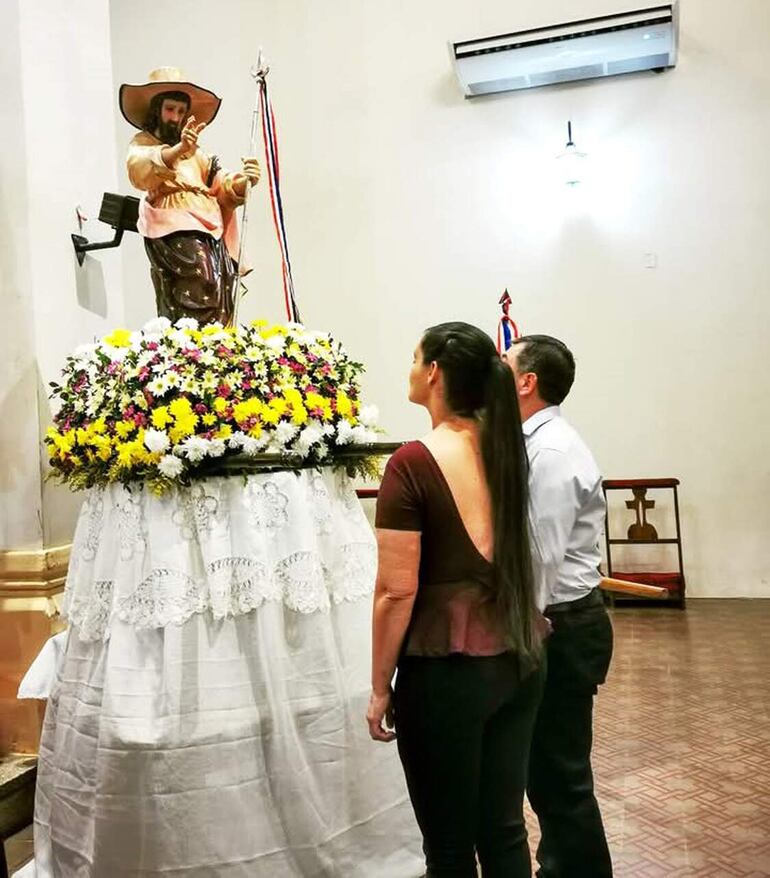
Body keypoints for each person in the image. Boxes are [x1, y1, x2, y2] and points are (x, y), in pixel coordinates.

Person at [368, 321, 545, 877]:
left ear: (434, 372)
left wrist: (379, 688)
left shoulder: (412, 462)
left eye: (413, 357)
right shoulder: (505, 452)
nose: (410, 369)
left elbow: (396, 591)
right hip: (519, 655)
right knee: (504, 831)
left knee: (447, 846)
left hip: (447, 674)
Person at [505, 334, 614, 878]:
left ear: (527, 382)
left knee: (558, 773)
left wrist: (522, 631)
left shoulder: (550, 450)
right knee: (547, 771)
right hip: (561, 618)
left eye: (504, 365)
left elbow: (540, 556)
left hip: (562, 624)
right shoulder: (538, 441)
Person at [120, 67, 261, 325]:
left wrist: (245, 180)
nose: (175, 117)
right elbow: (140, 169)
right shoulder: (144, 143)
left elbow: (219, 184)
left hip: (210, 228)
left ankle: (213, 341)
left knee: (218, 284)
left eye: (181, 112)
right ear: (157, 110)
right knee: (201, 280)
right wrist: (176, 151)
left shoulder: (197, 155)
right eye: (170, 109)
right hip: (174, 226)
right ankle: (195, 344)